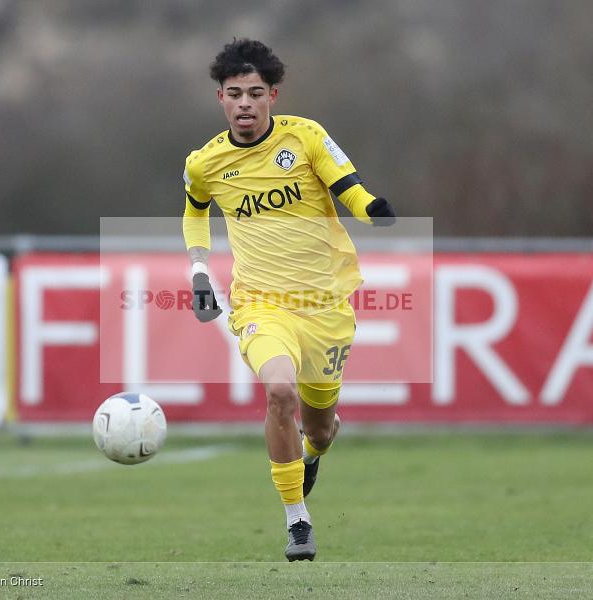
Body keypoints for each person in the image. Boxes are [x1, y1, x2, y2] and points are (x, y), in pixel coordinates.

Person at [182, 39, 396, 560]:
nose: (246, 104)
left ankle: (313, 450)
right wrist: (199, 271)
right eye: (235, 94)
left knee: (321, 425)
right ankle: (297, 520)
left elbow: (348, 185)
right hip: (260, 302)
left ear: (273, 95)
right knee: (280, 392)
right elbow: (194, 213)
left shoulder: (306, 137)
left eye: (256, 93)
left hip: (324, 305)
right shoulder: (205, 163)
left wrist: (372, 210)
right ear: (221, 99)